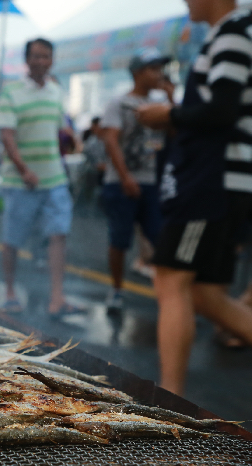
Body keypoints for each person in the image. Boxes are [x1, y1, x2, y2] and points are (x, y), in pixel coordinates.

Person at [137, 0, 252, 395]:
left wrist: (168, 114)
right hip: (223, 182)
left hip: (212, 182)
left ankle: (170, 401)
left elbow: (221, 110)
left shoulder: (234, 35)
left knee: (169, 278)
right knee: (204, 294)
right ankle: (172, 397)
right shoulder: (231, 34)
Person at [0, 38, 76, 316]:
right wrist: (23, 170)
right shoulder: (11, 92)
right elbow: (6, 136)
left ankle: (57, 297)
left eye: (46, 56)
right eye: (36, 56)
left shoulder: (56, 91)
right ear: (27, 60)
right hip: (20, 181)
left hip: (54, 177)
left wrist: (70, 137)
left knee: (58, 234)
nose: (42, 61)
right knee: (13, 239)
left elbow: (60, 129)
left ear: (52, 59)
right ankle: (9, 292)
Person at [100, 48, 169, 314]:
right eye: (153, 69)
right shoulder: (118, 103)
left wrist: (172, 100)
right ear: (138, 72)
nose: (159, 74)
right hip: (120, 182)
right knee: (119, 240)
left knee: (160, 240)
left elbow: (176, 134)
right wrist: (126, 178)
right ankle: (116, 290)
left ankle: (169, 298)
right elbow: (111, 140)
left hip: (152, 182)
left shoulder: (163, 103)